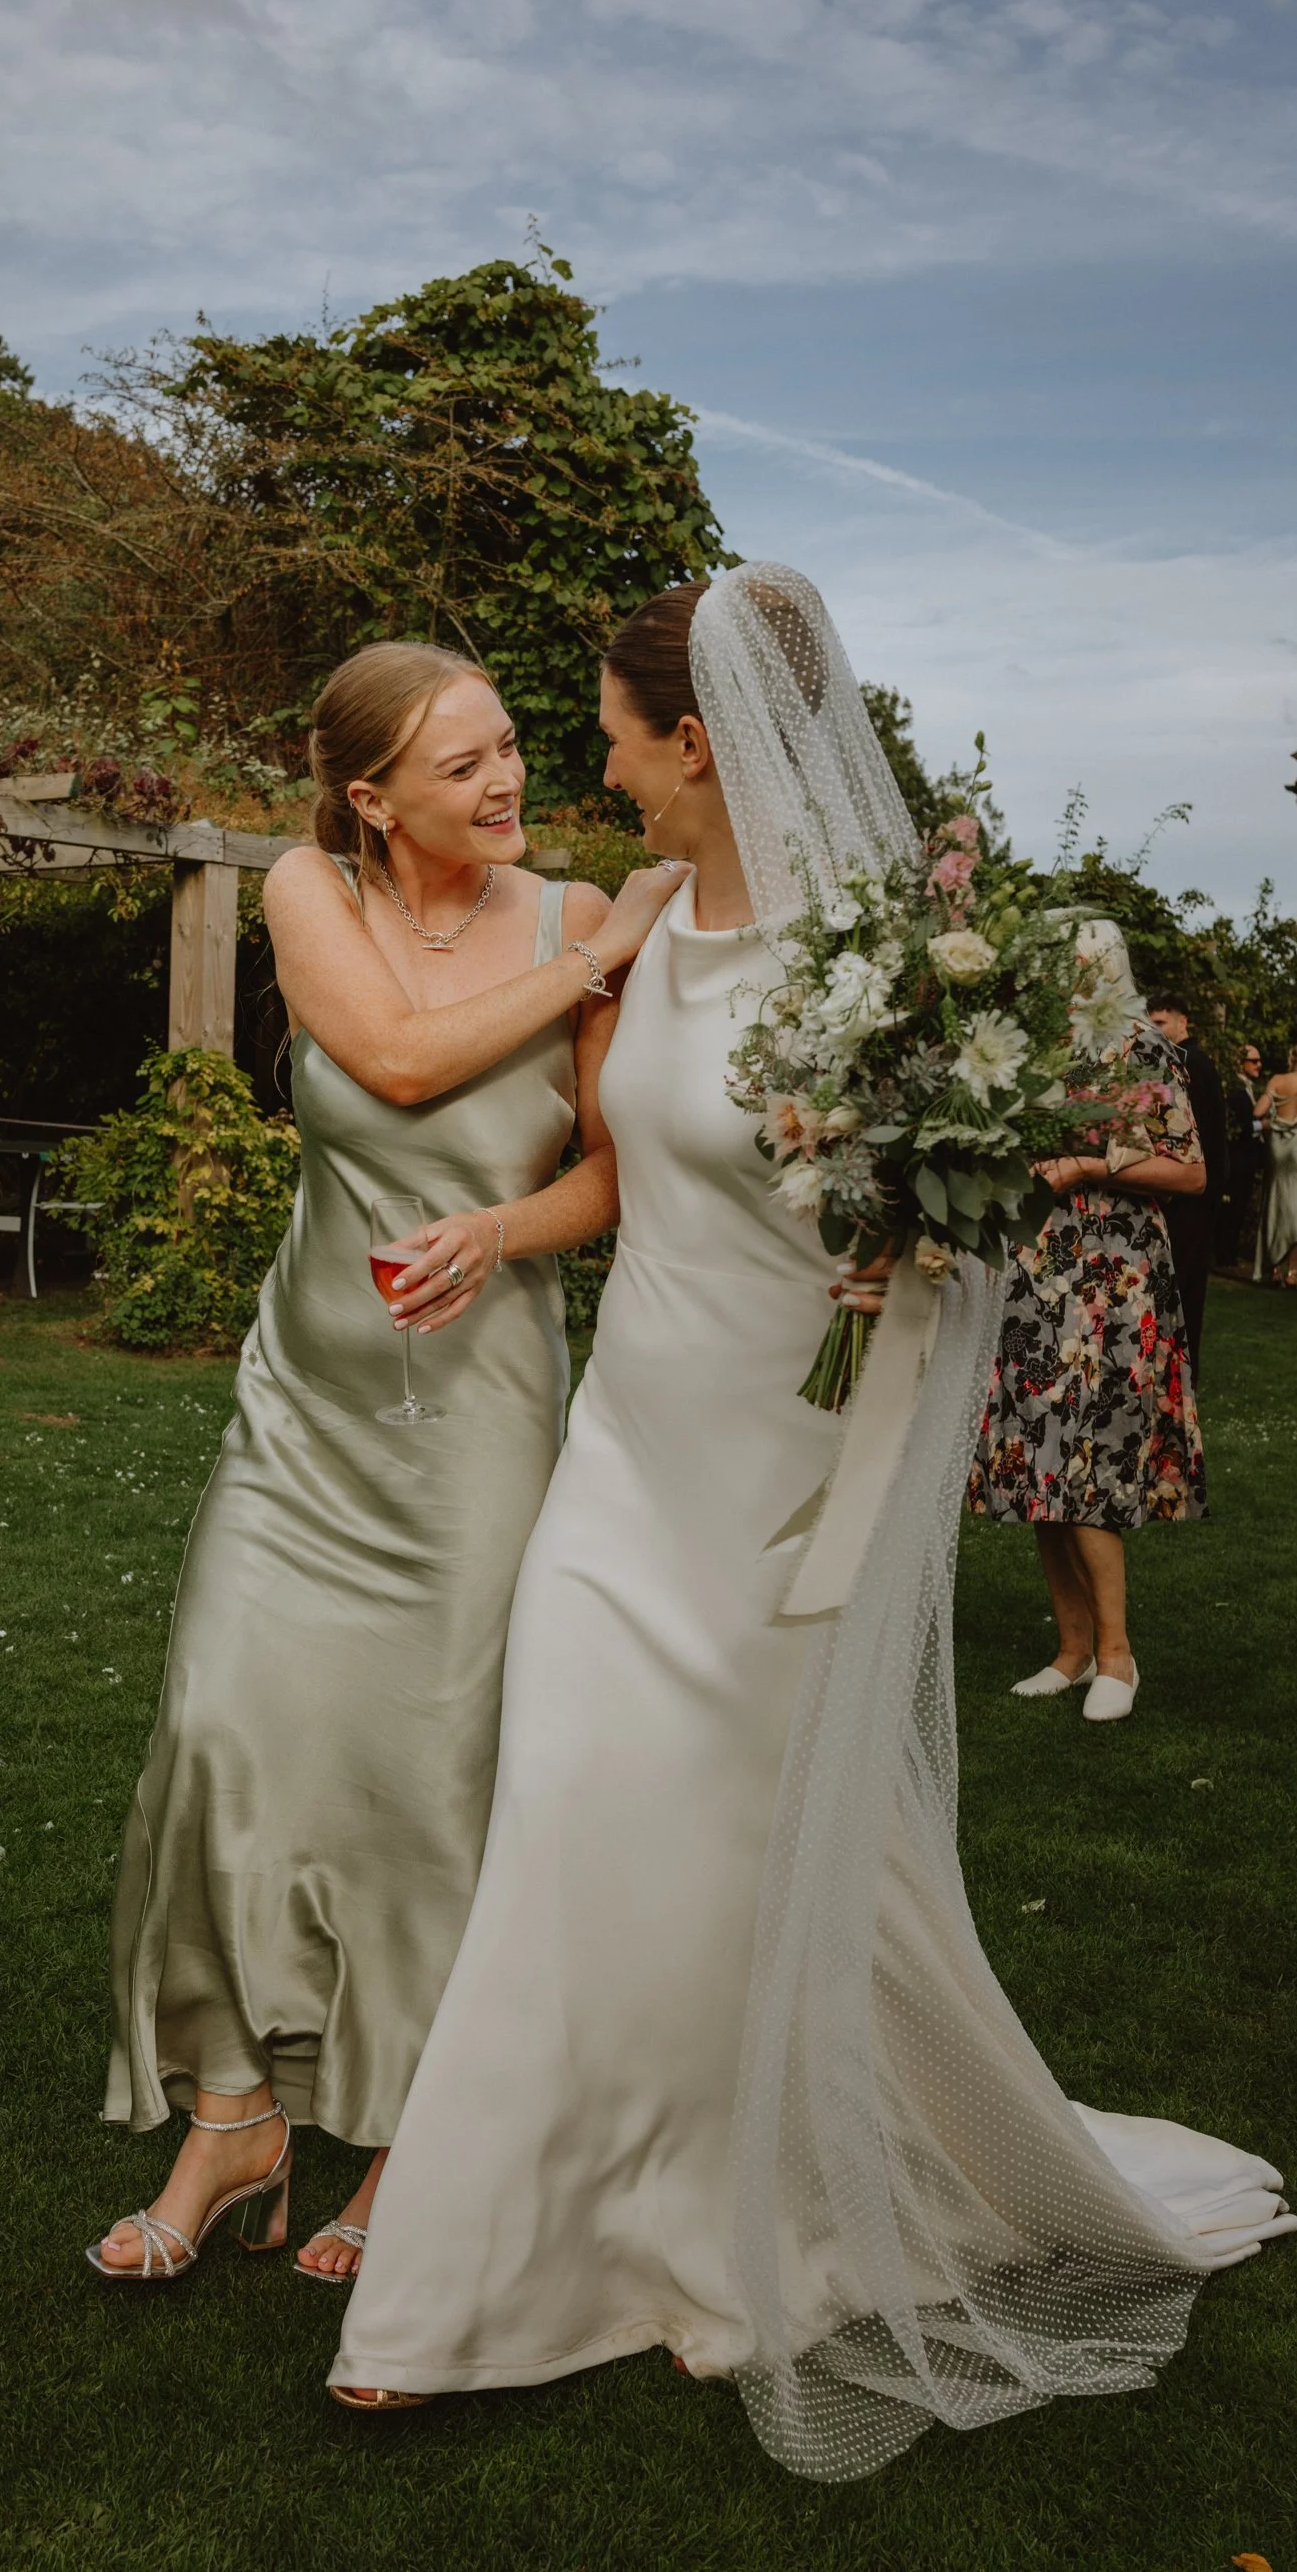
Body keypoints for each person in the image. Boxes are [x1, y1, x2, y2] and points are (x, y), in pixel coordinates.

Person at [328, 566, 1291, 2472]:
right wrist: (489, 1229)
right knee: (574, 1807)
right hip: (630, 1456)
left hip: (787, 1469)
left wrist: (893, 1286)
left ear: (697, 739)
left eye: (608, 732)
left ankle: (733, 2197)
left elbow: (948, 1240)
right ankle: (465, 2278)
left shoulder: (891, 971)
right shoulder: (647, 918)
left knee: (743, 1854)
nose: (589, 764)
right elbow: (613, 1164)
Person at [92, 640, 690, 2283]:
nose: (505, 782)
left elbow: (609, 1180)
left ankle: (416, 2128)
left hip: (478, 1421)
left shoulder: (575, 914)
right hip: (306, 1412)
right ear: (369, 796)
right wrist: (600, 961)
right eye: (461, 765)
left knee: (432, 1780)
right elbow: (406, 1059)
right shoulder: (310, 889)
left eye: (509, 748)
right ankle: (237, 2117)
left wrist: (501, 1226)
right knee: (223, 1720)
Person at [970, 952, 1208, 1723]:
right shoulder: (1032, 1050)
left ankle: (1117, 1656)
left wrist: (1086, 1164)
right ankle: (1071, 1652)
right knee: (1040, 1458)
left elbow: (1191, 1170)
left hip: (1114, 1277)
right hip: (1040, 1268)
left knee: (1087, 1456)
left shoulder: (1141, 1046)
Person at [1144, 991, 1228, 1372]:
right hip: (1199, 1195)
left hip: (1189, 1196)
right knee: (1187, 1290)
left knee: (1180, 1290)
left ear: (1183, 1022)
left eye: (1160, 1023)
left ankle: (1176, 1373)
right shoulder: (1196, 1061)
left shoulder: (1185, 1062)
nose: (1153, 1030)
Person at [1254, 1041, 1297, 1286]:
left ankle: (1274, 1269)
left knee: (1274, 1201)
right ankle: (1293, 1271)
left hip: (1278, 1148)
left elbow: (1259, 1111)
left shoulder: (1278, 1080)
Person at [1219, 1041, 1264, 1272]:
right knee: (1233, 1208)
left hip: (1247, 1159)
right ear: (1241, 1063)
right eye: (1253, 1061)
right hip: (1238, 1160)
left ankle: (1228, 1253)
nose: (1259, 1065)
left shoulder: (1247, 1088)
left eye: (1258, 1060)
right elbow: (1237, 1126)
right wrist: (1261, 1125)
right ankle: (1225, 1256)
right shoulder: (1236, 1090)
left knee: (1239, 1207)